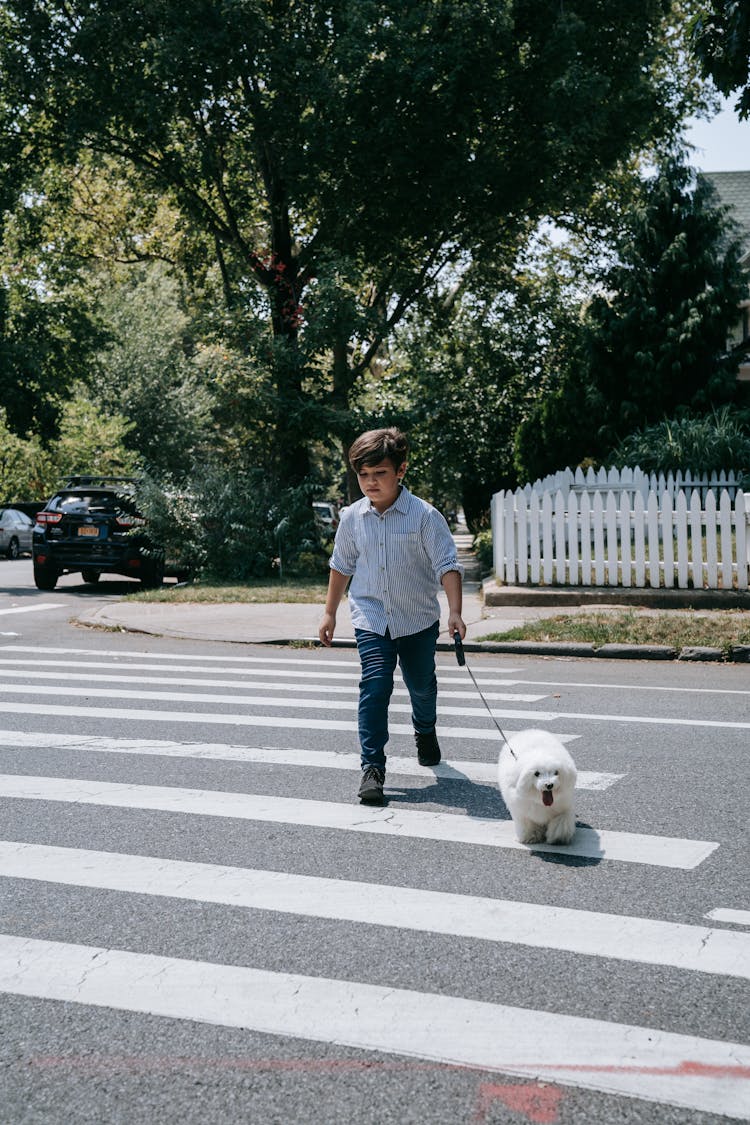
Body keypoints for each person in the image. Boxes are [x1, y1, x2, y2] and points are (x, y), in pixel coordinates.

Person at [319, 427, 466, 803]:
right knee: (375, 686)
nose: (370, 482)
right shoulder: (352, 517)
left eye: (379, 473)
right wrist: (330, 613)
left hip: (417, 619)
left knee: (421, 684)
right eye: (363, 475)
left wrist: (456, 612)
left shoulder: (424, 516)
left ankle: (425, 729)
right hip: (370, 617)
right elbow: (341, 565)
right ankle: (373, 767)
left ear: (400, 470)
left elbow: (447, 565)